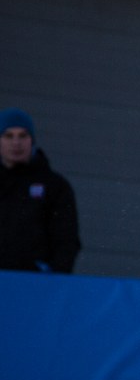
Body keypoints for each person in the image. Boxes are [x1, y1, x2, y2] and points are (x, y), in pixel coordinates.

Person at [0, 108, 81, 273]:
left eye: (23, 135)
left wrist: (54, 276)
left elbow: (67, 240)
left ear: (32, 140)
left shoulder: (55, 187)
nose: (16, 142)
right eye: (9, 136)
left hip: (35, 281)